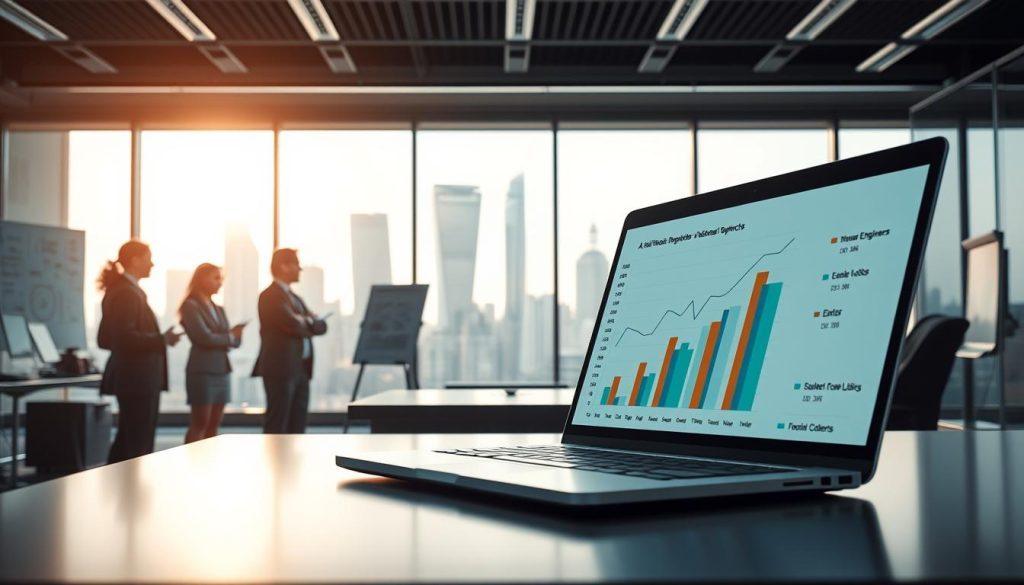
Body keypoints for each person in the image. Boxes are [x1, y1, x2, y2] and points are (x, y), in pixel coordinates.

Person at [97, 240, 183, 464]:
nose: (152, 264)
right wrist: (161, 340)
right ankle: (128, 490)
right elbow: (124, 337)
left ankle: (120, 489)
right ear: (135, 260)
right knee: (136, 441)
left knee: (130, 438)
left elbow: (107, 338)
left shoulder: (125, 291)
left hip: (135, 377)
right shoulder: (127, 293)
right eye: (148, 258)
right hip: (137, 378)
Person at [252, 248, 328, 434]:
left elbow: (321, 327)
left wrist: (306, 321)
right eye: (296, 264)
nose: (300, 269)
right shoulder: (269, 296)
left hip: (301, 369)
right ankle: (274, 463)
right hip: (281, 369)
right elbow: (290, 324)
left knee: (298, 424)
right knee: (278, 424)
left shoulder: (295, 298)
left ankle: (293, 463)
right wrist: (309, 320)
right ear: (283, 266)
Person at [178, 263, 246, 443]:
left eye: (221, 279)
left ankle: (209, 466)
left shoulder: (219, 309)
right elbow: (203, 338)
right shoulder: (190, 306)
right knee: (200, 423)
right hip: (203, 371)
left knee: (214, 425)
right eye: (215, 278)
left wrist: (236, 335)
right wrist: (230, 337)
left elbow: (229, 340)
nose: (220, 283)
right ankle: (191, 465)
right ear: (201, 278)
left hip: (222, 370)